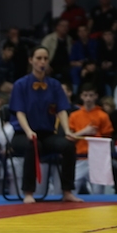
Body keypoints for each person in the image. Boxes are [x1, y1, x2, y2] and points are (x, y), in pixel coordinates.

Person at [9, 46, 82, 203]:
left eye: (45, 59)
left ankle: (67, 191)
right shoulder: (20, 84)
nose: (42, 62)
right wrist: (28, 131)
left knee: (68, 146)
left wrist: (67, 130)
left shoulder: (54, 85)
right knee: (33, 145)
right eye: (39, 58)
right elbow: (19, 112)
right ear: (31, 60)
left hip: (47, 134)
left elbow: (62, 110)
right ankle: (28, 192)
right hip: (23, 135)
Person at [68, 83, 114, 195]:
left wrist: (96, 134)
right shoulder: (74, 116)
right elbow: (69, 137)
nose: (88, 98)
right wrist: (84, 131)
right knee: (72, 190)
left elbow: (108, 138)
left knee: (98, 192)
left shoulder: (102, 115)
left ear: (96, 96)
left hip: (97, 159)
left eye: (91, 95)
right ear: (81, 96)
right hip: (80, 157)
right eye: (85, 95)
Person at [41, 18, 73, 83]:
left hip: (65, 66)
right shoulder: (49, 39)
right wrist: (46, 65)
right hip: (51, 65)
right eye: (63, 26)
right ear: (57, 27)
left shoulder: (69, 39)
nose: (65, 28)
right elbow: (41, 53)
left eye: (67, 26)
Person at [69, 25, 99, 90]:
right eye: (80, 31)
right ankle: (76, 91)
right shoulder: (75, 45)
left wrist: (90, 66)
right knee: (74, 71)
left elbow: (97, 57)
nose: (82, 33)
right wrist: (82, 65)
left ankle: (95, 90)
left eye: (84, 31)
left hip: (93, 65)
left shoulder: (94, 43)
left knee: (98, 71)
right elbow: (71, 61)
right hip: (80, 65)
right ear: (78, 33)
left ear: (88, 32)